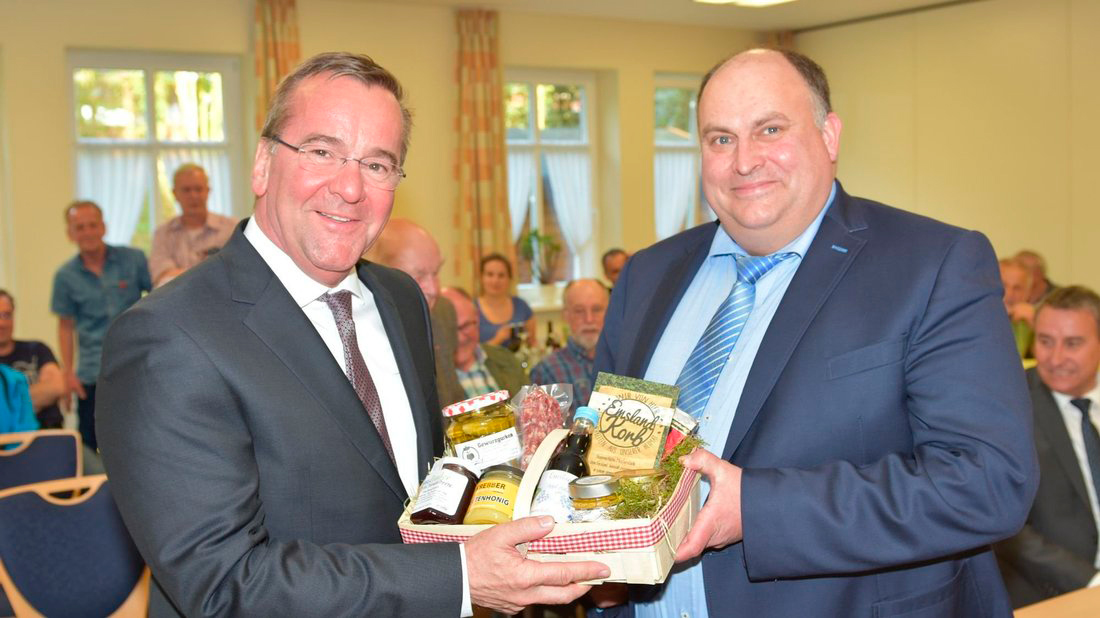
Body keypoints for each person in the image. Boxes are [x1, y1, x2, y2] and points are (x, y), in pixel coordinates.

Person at [96, 52, 606, 617]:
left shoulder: (402, 299)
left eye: (378, 165)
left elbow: (415, 486)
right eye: (321, 152)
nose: (350, 188)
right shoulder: (168, 337)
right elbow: (224, 585)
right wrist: (459, 578)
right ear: (263, 163)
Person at [594, 48, 1036, 617]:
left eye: (770, 129)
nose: (744, 161)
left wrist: (757, 509)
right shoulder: (649, 274)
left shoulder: (933, 265)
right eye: (720, 139)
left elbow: (988, 483)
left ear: (829, 136)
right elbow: (613, 452)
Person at [996, 285, 1100, 607]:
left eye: (1073, 343)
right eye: (1044, 341)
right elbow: (1004, 523)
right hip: (1054, 593)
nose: (1055, 358)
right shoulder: (1010, 406)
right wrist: (1090, 581)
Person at [51, 200, 151, 450]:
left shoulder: (134, 259)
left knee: (140, 439)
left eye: (92, 225)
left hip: (136, 367)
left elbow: (159, 299)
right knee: (91, 443)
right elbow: (65, 326)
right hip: (92, 374)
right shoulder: (65, 276)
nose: (87, 232)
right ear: (70, 233)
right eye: (80, 227)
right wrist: (68, 373)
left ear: (103, 227)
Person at [367, 218, 465, 407]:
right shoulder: (361, 328)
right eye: (418, 276)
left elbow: (452, 395)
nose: (434, 289)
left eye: (436, 273)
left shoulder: (444, 312)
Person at [149, 163, 238, 286]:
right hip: (176, 303)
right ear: (175, 194)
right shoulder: (162, 233)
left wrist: (179, 275)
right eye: (186, 190)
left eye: (198, 189)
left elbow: (237, 272)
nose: (193, 196)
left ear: (208, 191)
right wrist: (210, 273)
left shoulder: (232, 228)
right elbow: (162, 277)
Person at [529, 279, 608, 409]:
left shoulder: (625, 361)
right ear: (565, 315)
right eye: (579, 311)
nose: (589, 319)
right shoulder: (547, 371)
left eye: (597, 309)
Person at [442, 287, 525, 399]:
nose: (459, 338)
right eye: (450, 330)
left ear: (477, 318)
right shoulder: (433, 381)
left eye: (466, 326)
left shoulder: (506, 360)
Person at [0, 289, 65, 428]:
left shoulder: (37, 349)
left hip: (48, 433)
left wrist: (7, 405)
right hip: (6, 444)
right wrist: (35, 396)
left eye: (6, 315)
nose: (2, 323)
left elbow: (56, 387)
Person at [476, 253, 536, 349]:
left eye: (501, 275)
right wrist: (497, 340)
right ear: (481, 278)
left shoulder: (522, 306)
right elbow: (469, 354)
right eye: (490, 274)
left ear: (509, 279)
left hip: (520, 364)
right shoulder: (471, 309)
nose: (495, 281)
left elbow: (532, 344)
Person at [1000, 257, 1034, 358]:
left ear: (1028, 293)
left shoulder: (1030, 317)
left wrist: (1035, 325)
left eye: (1017, 288)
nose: (1009, 293)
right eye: (1003, 285)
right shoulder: (974, 315)